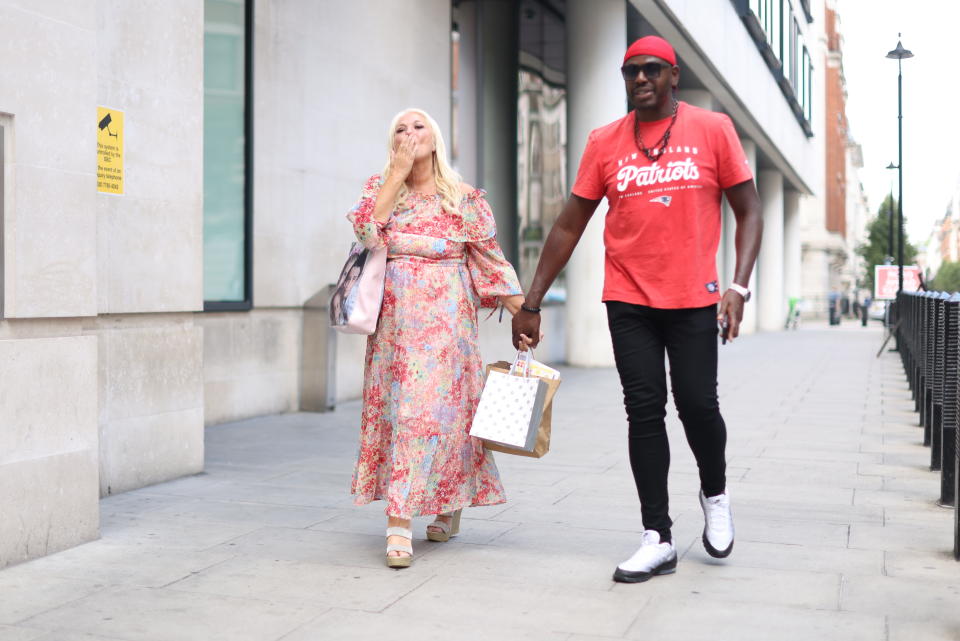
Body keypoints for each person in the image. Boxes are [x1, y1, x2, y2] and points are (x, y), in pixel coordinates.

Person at [512, 36, 763, 583]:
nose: (640, 79)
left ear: (673, 76)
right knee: (643, 411)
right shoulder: (604, 141)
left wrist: (739, 288)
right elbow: (568, 224)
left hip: (694, 297)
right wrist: (532, 302)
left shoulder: (713, 129)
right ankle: (658, 536)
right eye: (630, 72)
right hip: (628, 298)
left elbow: (749, 210)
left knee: (697, 405)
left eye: (652, 70)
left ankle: (715, 495)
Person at [347, 108, 532, 569]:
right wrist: (396, 174)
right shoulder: (380, 187)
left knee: (445, 416)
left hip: (449, 326)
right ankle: (398, 519)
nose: (411, 134)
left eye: (419, 125)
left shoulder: (464, 198)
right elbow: (368, 233)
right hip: (396, 330)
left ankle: (446, 505)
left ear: (436, 136)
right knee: (406, 414)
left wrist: (523, 313)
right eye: (400, 129)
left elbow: (491, 260)